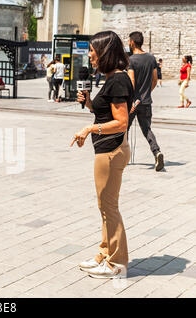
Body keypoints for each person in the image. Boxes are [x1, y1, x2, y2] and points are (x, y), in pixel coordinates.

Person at [72, 30, 133, 280]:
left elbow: (121, 121)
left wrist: (89, 128)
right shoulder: (112, 78)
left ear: (105, 52)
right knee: (104, 206)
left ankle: (117, 263)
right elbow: (106, 113)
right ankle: (105, 253)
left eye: (93, 52)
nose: (90, 57)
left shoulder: (117, 79)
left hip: (111, 150)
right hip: (107, 149)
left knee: (109, 208)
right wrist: (89, 103)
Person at [127, 31, 164, 172]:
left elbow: (131, 82)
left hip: (133, 102)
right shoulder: (151, 58)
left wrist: (131, 100)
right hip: (146, 101)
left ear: (132, 42)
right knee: (147, 129)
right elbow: (154, 80)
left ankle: (122, 157)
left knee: (124, 128)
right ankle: (157, 152)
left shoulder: (131, 60)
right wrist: (146, 93)